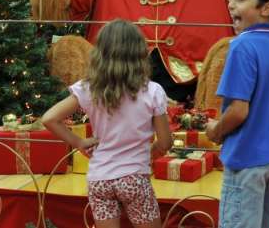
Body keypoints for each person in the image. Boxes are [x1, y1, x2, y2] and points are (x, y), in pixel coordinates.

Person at [42, 19, 172, 228]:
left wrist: (79, 142)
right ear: (139, 52)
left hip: (99, 178)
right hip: (134, 177)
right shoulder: (152, 91)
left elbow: (49, 118)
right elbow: (165, 142)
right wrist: (148, 155)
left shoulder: (88, 88)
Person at [206, 0, 269, 228]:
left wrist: (216, 129)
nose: (231, 4)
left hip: (248, 157)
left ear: (267, 8)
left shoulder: (242, 46)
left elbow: (238, 111)